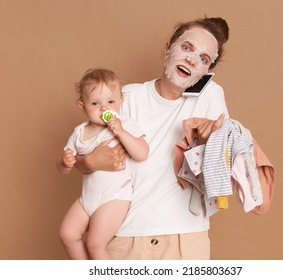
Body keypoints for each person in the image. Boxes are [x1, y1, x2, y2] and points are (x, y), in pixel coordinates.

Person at [75, 16, 230, 259]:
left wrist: (211, 139)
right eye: (187, 47)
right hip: (126, 237)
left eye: (203, 59)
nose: (192, 59)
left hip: (186, 240)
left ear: (206, 72)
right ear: (167, 49)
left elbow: (220, 171)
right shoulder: (127, 97)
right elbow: (84, 154)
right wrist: (89, 163)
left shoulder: (210, 95)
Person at [56, 68, 149, 259]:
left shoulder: (123, 124)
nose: (104, 108)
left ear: (120, 102)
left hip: (114, 197)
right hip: (87, 199)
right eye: (95, 103)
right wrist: (65, 162)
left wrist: (121, 132)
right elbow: (62, 168)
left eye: (111, 102)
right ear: (83, 106)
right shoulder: (79, 132)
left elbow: (142, 153)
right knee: (67, 234)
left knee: (95, 245)